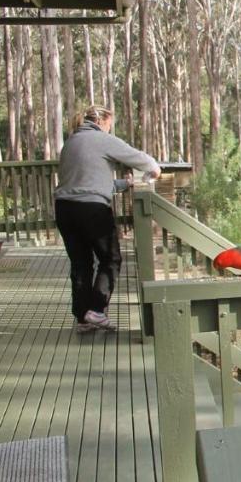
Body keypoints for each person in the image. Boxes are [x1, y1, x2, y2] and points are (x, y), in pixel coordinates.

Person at [54, 105, 160, 333]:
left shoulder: (71, 143)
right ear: (102, 121)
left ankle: (83, 318)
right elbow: (144, 161)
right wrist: (154, 170)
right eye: (110, 124)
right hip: (91, 209)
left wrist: (125, 184)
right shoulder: (101, 139)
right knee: (110, 259)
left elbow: (88, 182)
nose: (110, 128)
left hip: (64, 209)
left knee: (81, 264)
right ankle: (98, 310)